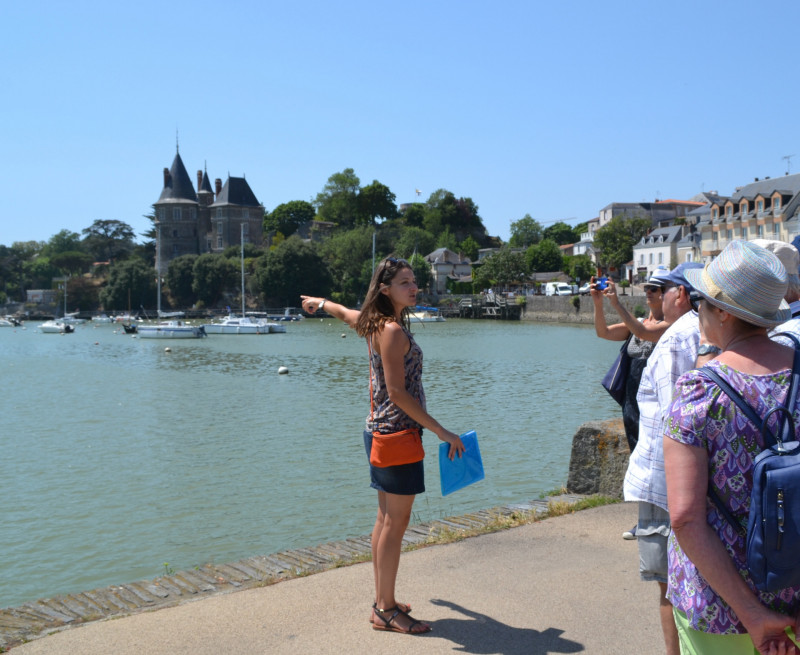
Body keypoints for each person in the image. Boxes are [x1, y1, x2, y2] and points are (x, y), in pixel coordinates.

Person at [300, 257, 465, 636]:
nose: (414, 287)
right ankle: (386, 608)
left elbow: (344, 314)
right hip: (397, 436)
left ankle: (382, 600)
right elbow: (397, 392)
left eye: (414, 281)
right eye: (405, 282)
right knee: (396, 522)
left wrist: (321, 303)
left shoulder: (374, 323)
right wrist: (443, 431)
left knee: (384, 520)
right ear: (385, 289)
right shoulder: (390, 330)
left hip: (378, 433)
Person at [663, 240, 800, 655]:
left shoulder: (700, 390)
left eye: (699, 300)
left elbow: (685, 518)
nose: (696, 311)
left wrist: (753, 615)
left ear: (722, 311)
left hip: (721, 608)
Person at [622, 260, 710, 655]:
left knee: (669, 585)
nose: (657, 296)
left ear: (683, 294)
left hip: (665, 484)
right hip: (685, 482)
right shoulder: (706, 333)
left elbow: (680, 423)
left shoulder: (677, 338)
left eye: (664, 288)